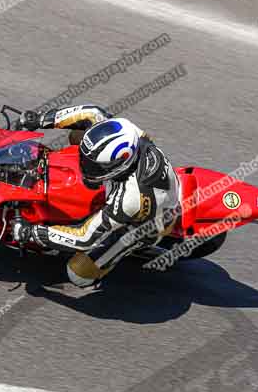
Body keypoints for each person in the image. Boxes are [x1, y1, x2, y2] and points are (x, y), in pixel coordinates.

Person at [10, 105, 180, 287]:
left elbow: (84, 238)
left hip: (147, 224)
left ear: (119, 166)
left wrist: (33, 233)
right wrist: (39, 119)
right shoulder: (126, 130)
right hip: (156, 183)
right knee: (78, 134)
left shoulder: (130, 200)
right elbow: (91, 113)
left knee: (78, 273)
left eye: (94, 167)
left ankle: (130, 248)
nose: (84, 165)